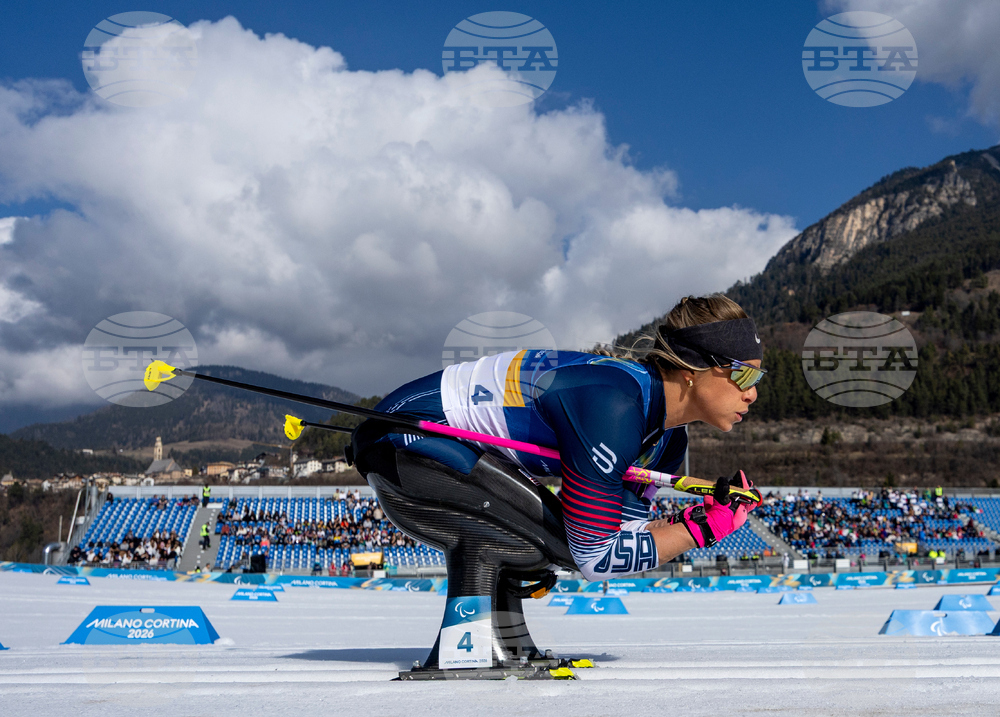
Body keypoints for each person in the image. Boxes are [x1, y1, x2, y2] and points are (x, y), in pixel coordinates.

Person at [352, 294, 764, 581]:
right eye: (743, 374)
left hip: (443, 446)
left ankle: (495, 621)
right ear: (691, 369)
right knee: (556, 548)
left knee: (555, 547)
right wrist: (704, 529)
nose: (753, 392)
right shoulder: (614, 407)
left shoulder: (669, 441)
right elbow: (597, 559)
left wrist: (686, 521)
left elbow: (627, 540)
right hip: (398, 435)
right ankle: (471, 639)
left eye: (758, 376)